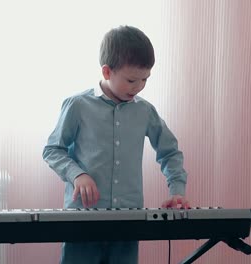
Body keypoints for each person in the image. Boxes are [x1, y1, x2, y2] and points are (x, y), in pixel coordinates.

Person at [42, 25, 189, 264]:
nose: (139, 86)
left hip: (128, 222)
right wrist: (78, 175)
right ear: (107, 71)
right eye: (132, 79)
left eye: (145, 79)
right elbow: (52, 150)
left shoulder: (145, 111)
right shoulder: (78, 105)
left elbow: (170, 152)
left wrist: (177, 192)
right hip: (82, 220)